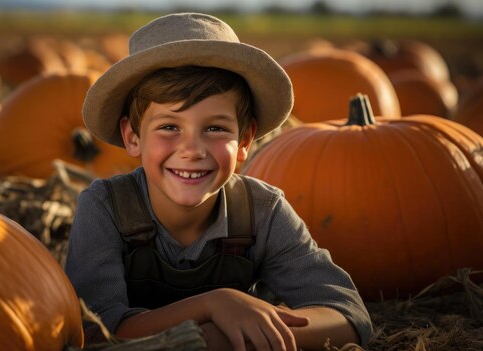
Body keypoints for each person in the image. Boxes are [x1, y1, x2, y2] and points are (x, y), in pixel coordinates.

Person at [65, 12, 372, 350]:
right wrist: (213, 305)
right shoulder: (106, 207)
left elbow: (347, 314)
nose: (192, 150)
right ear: (133, 136)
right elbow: (94, 330)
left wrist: (239, 339)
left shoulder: (262, 211)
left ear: (244, 141)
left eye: (215, 128)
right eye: (169, 127)